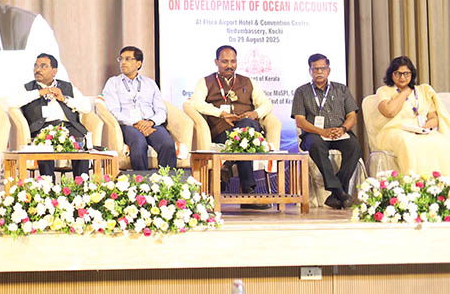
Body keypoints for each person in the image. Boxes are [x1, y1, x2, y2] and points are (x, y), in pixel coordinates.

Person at [189, 44, 272, 209]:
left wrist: (255, 113)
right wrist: (221, 114)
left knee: (247, 127)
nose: (229, 65)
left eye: (233, 61)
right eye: (225, 61)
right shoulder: (206, 81)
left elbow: (267, 103)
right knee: (246, 136)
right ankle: (248, 192)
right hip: (222, 130)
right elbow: (195, 103)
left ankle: (228, 164)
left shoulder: (247, 81)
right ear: (216, 62)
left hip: (248, 127)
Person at [291, 53, 361, 209]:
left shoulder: (342, 89)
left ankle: (336, 193)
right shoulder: (302, 92)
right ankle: (340, 192)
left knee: (355, 147)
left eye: (323, 68)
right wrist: (321, 131)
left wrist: (342, 129)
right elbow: (300, 120)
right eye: (315, 69)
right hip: (314, 134)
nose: (319, 72)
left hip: (339, 132)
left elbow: (352, 116)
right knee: (316, 145)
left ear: (329, 70)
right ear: (310, 71)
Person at [12, 53, 91, 179]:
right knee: (44, 144)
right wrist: (40, 93)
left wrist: (64, 99)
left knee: (80, 143)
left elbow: (87, 107)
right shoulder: (27, 88)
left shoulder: (67, 86)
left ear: (54, 71)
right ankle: (48, 188)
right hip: (42, 127)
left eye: (43, 66)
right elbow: (12, 102)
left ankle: (82, 187)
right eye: (36, 66)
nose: (38, 70)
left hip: (68, 126)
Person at [100, 46, 176, 171]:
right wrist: (136, 123)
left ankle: (166, 183)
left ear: (138, 63)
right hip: (128, 125)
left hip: (151, 124)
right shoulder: (113, 83)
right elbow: (114, 111)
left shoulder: (150, 83)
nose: (123, 62)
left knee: (167, 144)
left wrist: (150, 122)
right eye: (121, 59)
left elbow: (161, 110)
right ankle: (142, 183)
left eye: (128, 59)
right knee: (139, 144)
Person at [374, 55, 450, 176]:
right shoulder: (384, 91)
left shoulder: (422, 91)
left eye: (406, 73)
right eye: (398, 73)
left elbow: (433, 117)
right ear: (391, 74)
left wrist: (426, 127)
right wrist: (404, 93)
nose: (402, 77)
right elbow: (389, 112)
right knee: (406, 142)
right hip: (393, 131)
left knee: (441, 141)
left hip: (419, 132)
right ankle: (414, 184)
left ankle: (439, 185)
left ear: (412, 74)